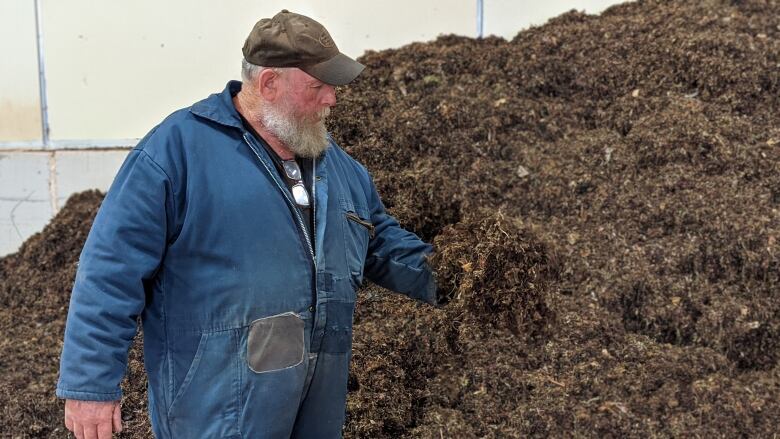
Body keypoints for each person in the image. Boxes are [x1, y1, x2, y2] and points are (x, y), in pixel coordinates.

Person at [57, 10, 440, 439]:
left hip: (315, 405)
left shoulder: (342, 170)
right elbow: (111, 270)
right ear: (270, 84)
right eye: (318, 86)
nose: (332, 98)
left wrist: (458, 278)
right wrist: (90, 386)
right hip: (219, 407)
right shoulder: (179, 153)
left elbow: (379, 245)